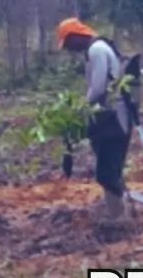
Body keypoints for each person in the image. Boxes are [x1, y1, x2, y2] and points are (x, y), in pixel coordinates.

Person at [57, 18, 134, 223]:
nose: (69, 49)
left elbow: (98, 88)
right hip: (114, 117)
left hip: (114, 119)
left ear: (75, 37)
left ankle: (119, 219)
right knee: (110, 169)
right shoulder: (97, 49)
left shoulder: (96, 50)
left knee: (108, 172)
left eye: (68, 44)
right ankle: (118, 213)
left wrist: (80, 110)